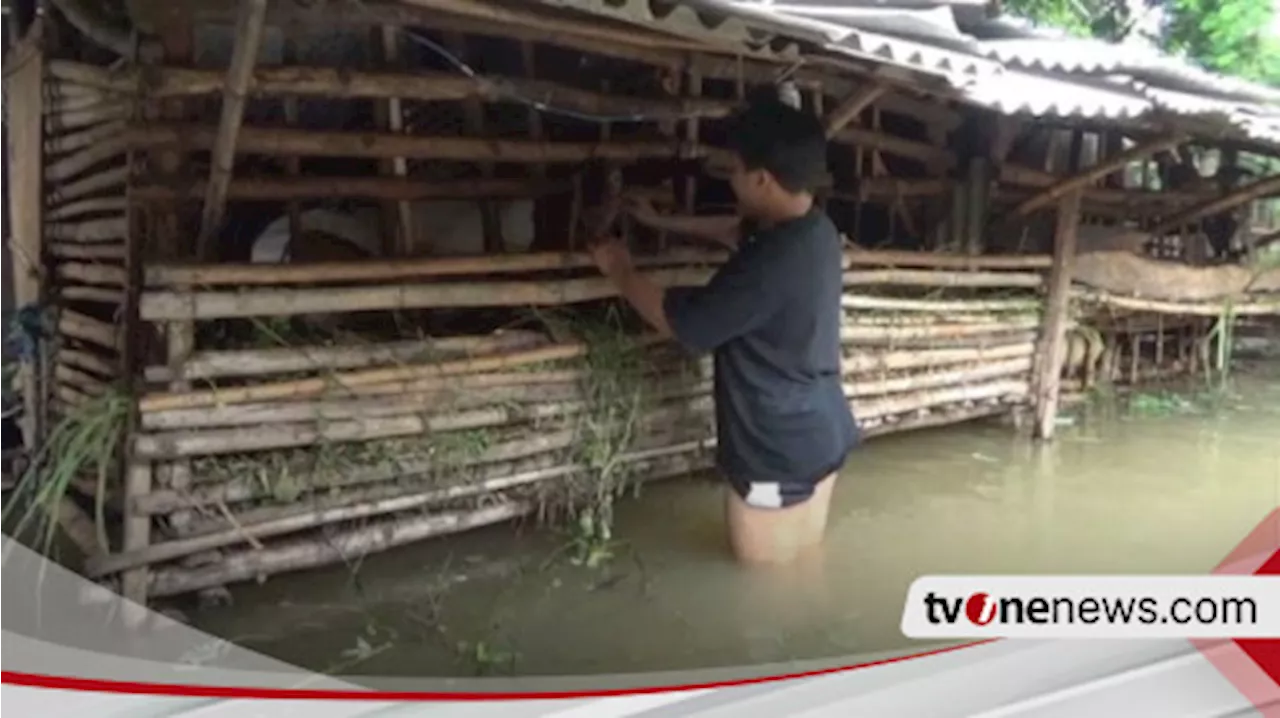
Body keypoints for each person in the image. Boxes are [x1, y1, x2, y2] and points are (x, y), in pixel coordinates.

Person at [587, 95, 859, 567]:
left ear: (761, 178)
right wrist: (661, 221)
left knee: (765, 595)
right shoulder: (816, 231)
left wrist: (620, 270)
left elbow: (687, 324)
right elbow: (736, 231)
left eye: (734, 170)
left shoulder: (766, 265)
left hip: (775, 448)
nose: (730, 180)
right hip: (822, 429)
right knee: (803, 567)